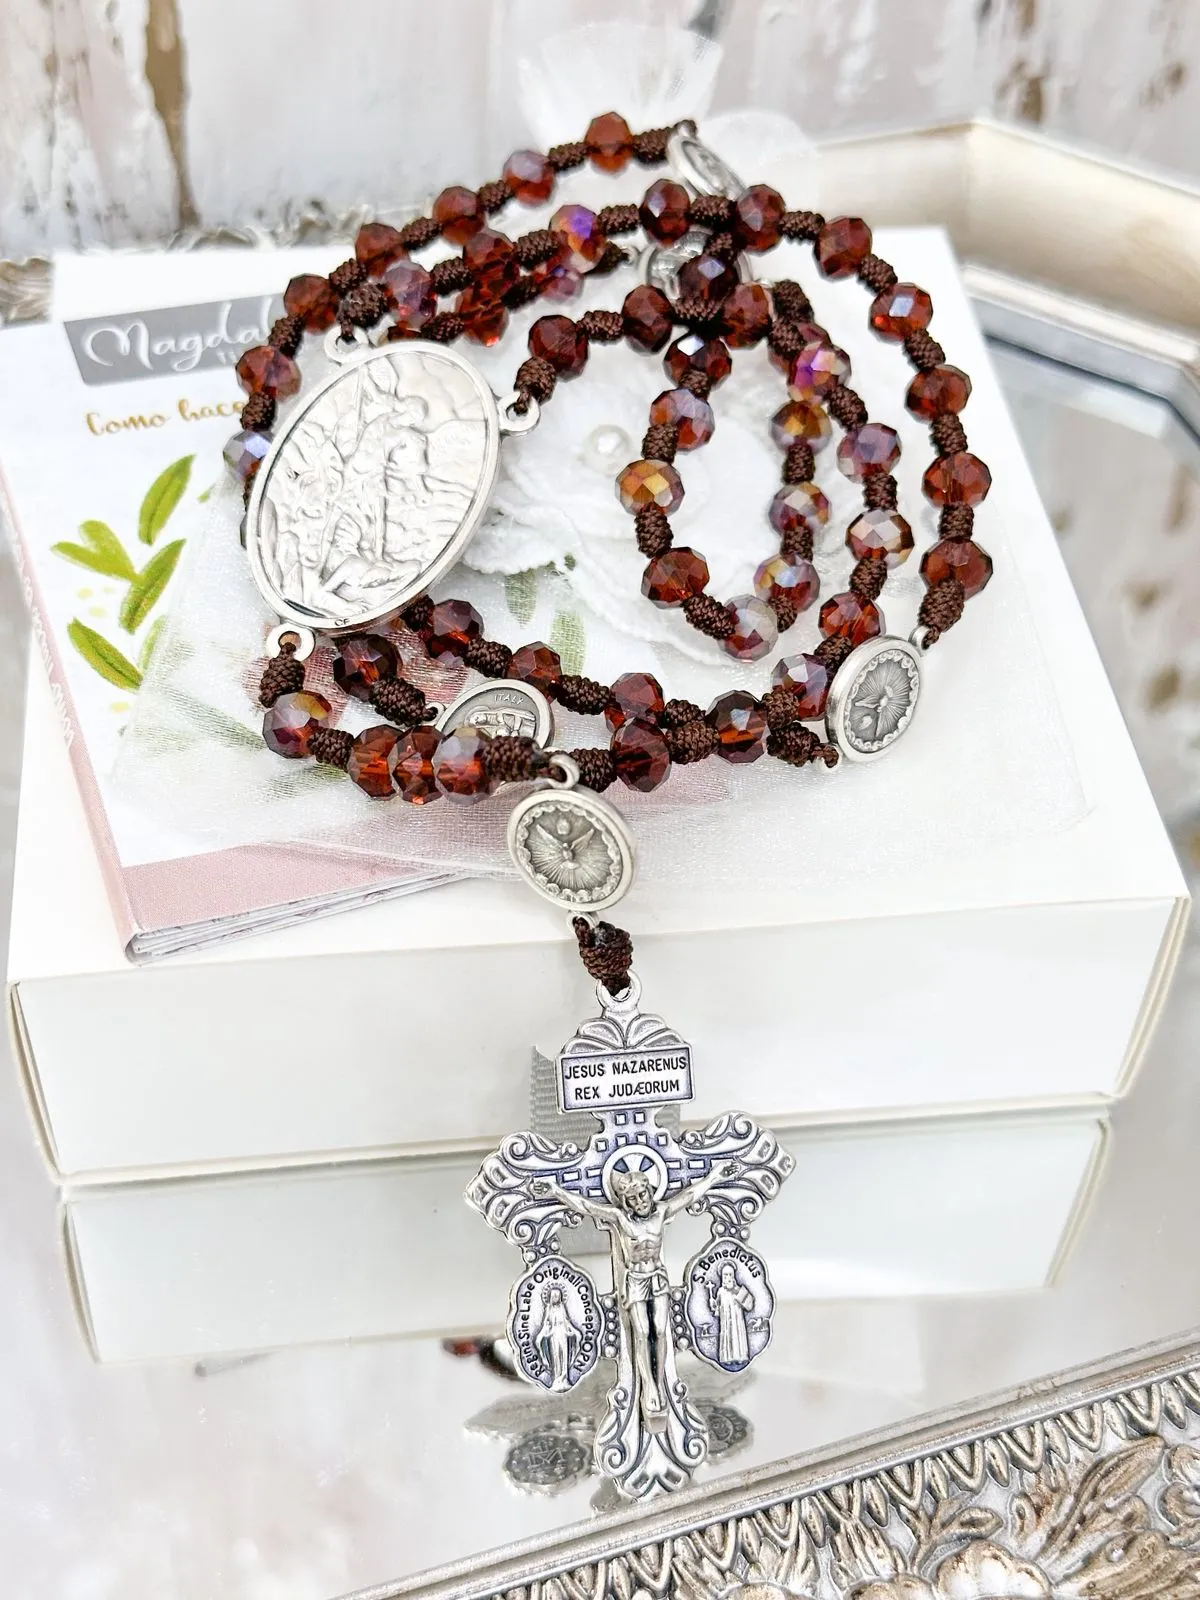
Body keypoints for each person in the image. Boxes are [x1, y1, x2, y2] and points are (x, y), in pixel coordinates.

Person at [532, 1158, 739, 1429]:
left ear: (650, 1191)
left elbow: (689, 1195)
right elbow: (586, 1206)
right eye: (632, 1198)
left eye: (642, 1194)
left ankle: (660, 1385)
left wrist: (715, 1176)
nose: (639, 1201)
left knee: (661, 1331)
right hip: (636, 1281)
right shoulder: (621, 1219)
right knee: (641, 1332)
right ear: (625, 1202)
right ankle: (650, 1388)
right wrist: (555, 1191)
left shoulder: (661, 1212)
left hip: (658, 1278)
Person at [533, 1284, 581, 1392]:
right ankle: (557, 1379)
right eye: (554, 1296)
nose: (556, 1298)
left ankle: (564, 1378)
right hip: (553, 1334)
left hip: (563, 1333)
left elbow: (566, 1321)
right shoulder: (549, 1309)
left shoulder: (562, 1308)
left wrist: (574, 1331)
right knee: (556, 1356)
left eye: (557, 1296)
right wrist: (544, 1332)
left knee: (564, 1355)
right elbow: (546, 1322)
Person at [709, 1261, 754, 1368]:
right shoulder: (720, 1291)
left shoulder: (738, 1290)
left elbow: (749, 1306)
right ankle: (727, 1358)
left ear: (733, 1276)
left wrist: (736, 1291)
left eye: (730, 1275)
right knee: (727, 1338)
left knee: (737, 1337)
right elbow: (717, 1309)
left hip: (737, 1322)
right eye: (725, 1275)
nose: (727, 1277)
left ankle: (740, 1357)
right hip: (725, 1322)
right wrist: (713, 1304)